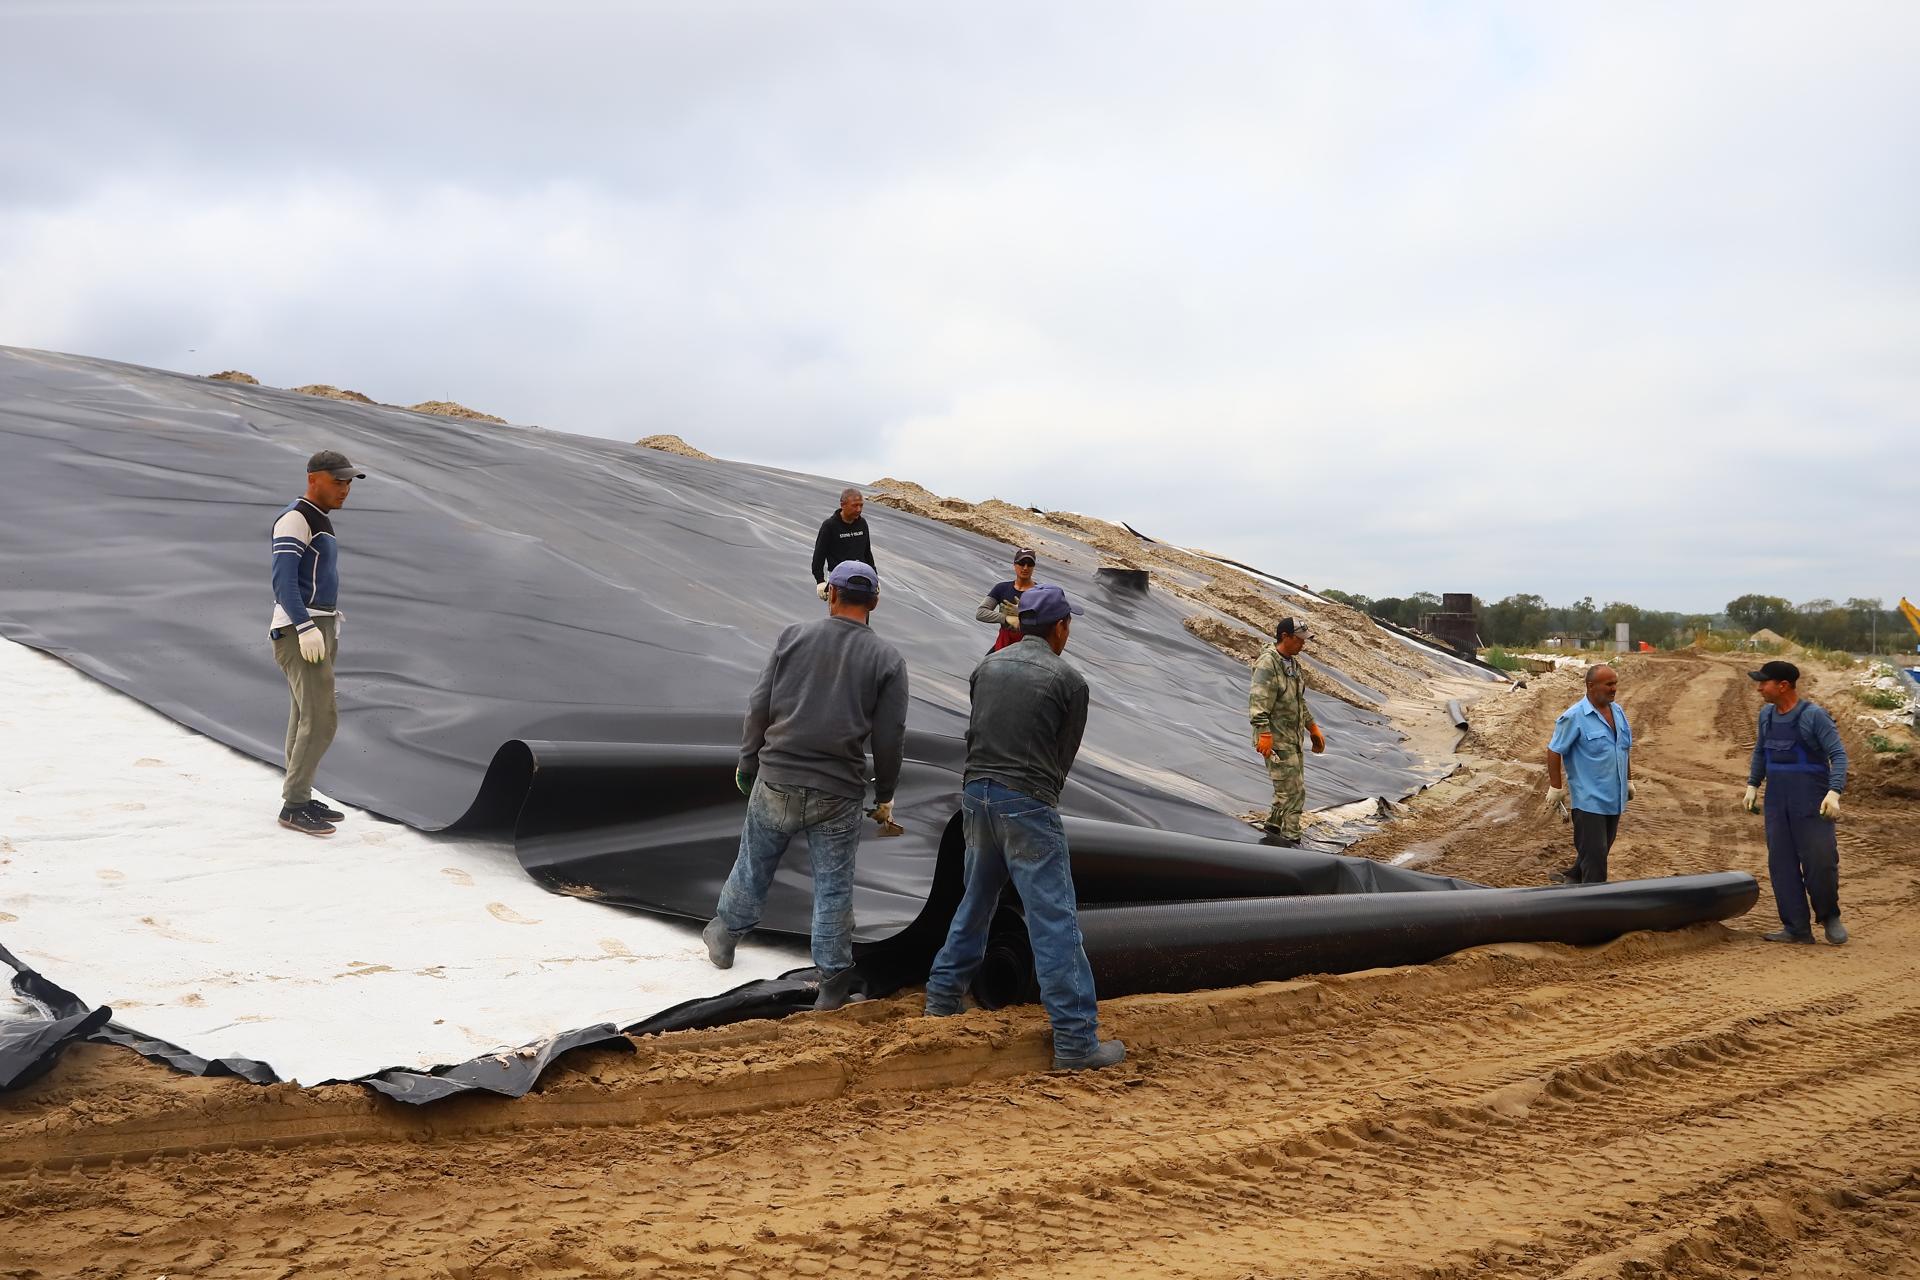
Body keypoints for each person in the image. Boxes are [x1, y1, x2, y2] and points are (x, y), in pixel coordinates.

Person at [923, 584, 1125, 1072]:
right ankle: (1076, 1042)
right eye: (1068, 623)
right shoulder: (1069, 681)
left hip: (976, 795)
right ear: (1059, 627)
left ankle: (941, 999)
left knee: (976, 901)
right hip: (1027, 802)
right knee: (1053, 919)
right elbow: (1061, 761)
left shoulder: (986, 668)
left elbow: (976, 733)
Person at [703, 560, 909, 1009]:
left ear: (830, 595)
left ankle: (724, 937)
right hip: (838, 792)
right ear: (874, 602)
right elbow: (889, 735)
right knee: (833, 886)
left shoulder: (792, 637)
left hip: (777, 776)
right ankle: (833, 980)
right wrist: (886, 794)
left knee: (754, 864)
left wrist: (747, 760)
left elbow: (759, 704)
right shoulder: (887, 659)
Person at [268, 449, 365, 837]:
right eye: (337, 481)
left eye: (347, 483)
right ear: (314, 479)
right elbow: (283, 581)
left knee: (304, 714)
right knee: (322, 718)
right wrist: (305, 626)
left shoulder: (319, 518)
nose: (344, 489)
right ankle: (294, 805)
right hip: (300, 629)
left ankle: (300, 796)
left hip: (317, 626)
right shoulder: (296, 518)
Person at [1742, 660, 1850, 944]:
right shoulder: (1766, 715)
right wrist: (1753, 785)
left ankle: (1829, 916)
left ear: (1783, 685)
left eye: (1763, 682)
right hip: (1777, 801)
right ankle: (1796, 927)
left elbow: (1838, 756)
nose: (1759, 688)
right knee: (1782, 864)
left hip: (1811, 800)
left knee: (1820, 861)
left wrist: (1834, 792)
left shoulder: (1814, 716)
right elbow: (1760, 753)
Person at [1544, 664, 1633, 884]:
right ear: (1591, 686)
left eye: (1615, 684)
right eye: (1608, 684)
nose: (1614, 689)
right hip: (1589, 801)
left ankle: (1573, 877)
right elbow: (1554, 750)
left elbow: (1623, 748)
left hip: (1615, 798)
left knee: (1599, 851)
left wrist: (1629, 779)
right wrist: (1556, 787)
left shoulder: (1618, 712)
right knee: (1596, 860)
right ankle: (1594, 906)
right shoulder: (1574, 717)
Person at [1248, 617, 1326, 847]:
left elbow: (1298, 702)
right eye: (1299, 640)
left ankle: (1273, 828)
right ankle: (1292, 840)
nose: (1303, 645)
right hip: (1275, 740)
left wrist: (1312, 728)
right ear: (1285, 637)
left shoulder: (1291, 665)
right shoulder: (1267, 664)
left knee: (1286, 790)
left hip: (1291, 739)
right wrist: (1263, 733)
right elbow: (1258, 702)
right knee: (1293, 792)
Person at [809, 488, 876, 600]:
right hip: (839, 580)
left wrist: (874, 576)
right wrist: (820, 581)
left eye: (861, 505)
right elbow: (819, 556)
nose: (859, 509)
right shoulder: (829, 526)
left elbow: (867, 553)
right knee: (841, 614)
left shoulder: (862, 524)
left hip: (862, 578)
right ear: (843, 505)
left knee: (861, 614)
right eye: (855, 505)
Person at [973, 547, 1039, 652]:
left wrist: (1022, 615)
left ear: (1034, 567)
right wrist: (1006, 618)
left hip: (1026, 651)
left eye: (1030, 564)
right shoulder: (1002, 588)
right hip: (1002, 646)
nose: (1025, 567)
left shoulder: (1040, 593)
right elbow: (981, 613)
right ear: (1014, 565)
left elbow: (1047, 624)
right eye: (1021, 563)